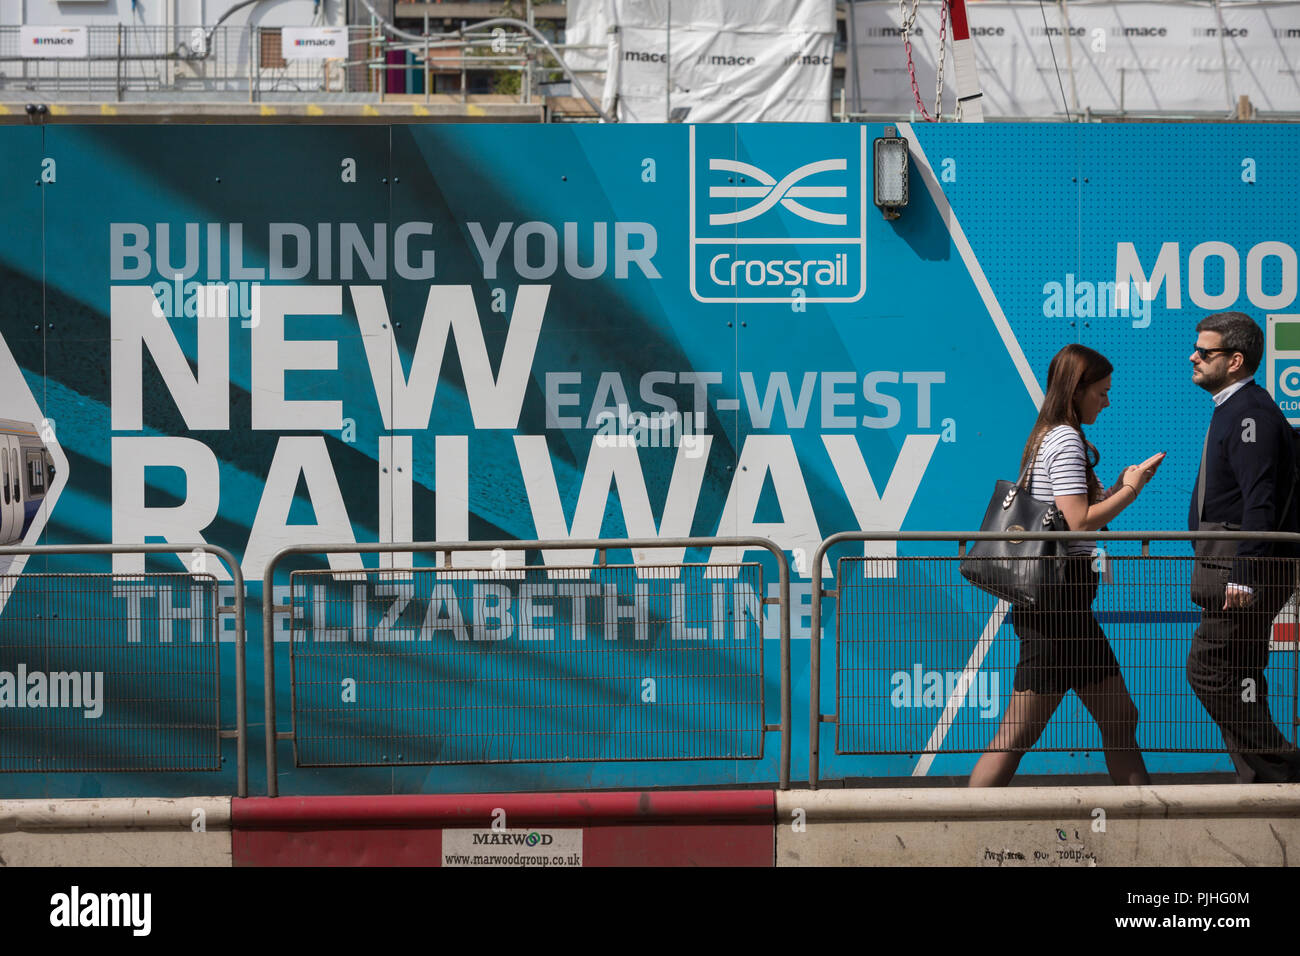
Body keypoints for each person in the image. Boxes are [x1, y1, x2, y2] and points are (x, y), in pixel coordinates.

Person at [970, 344, 1163, 787]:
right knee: (1016, 736)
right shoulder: (1066, 439)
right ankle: (956, 832)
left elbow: (1071, 515)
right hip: (1057, 608)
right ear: (1077, 391)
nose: (1107, 401)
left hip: (1066, 605)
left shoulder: (1049, 436)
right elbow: (1078, 521)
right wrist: (1130, 491)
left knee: (1119, 717)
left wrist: (1116, 487)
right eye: (1102, 392)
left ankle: (1148, 832)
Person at [1187, 311, 1300, 783]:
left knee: (1208, 669)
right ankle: (1261, 786)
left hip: (1239, 570)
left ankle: (1285, 765)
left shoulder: (1250, 411)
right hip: (1234, 565)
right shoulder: (1236, 408)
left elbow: (1261, 501)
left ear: (1235, 361)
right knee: (1242, 676)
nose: (1193, 357)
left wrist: (1244, 573)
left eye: (1205, 352)